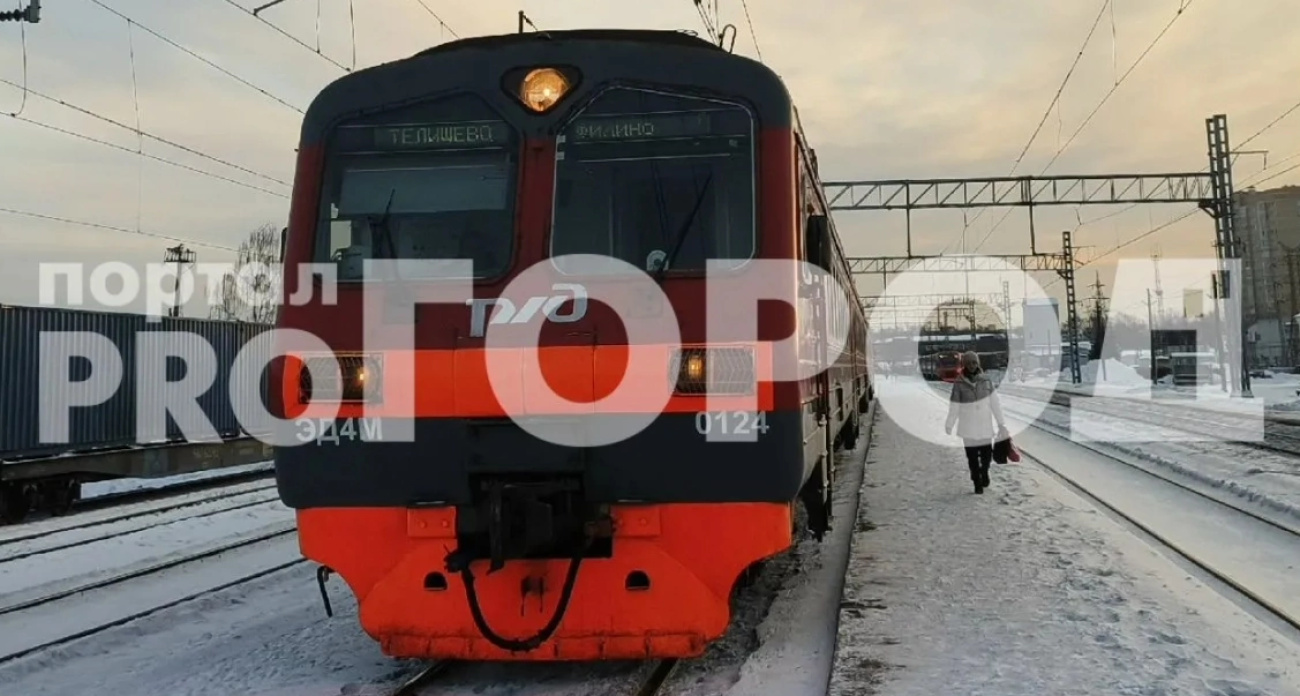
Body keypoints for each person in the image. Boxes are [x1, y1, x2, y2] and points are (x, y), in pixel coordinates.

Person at [944, 351, 1008, 494]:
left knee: (986, 456)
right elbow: (954, 405)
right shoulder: (959, 383)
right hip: (967, 427)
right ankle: (976, 480)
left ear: (978, 363)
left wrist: (1001, 423)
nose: (971, 365)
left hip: (985, 426)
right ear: (964, 365)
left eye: (974, 362)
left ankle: (984, 471)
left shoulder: (986, 381)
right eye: (968, 363)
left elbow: (995, 403)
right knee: (972, 457)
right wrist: (949, 424)